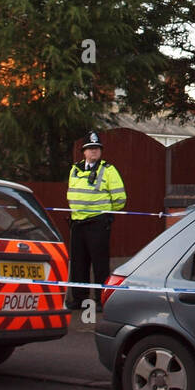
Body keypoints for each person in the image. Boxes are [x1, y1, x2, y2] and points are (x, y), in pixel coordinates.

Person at [66, 130, 126, 310]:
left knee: (99, 264)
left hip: (98, 222)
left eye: (97, 148)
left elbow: (120, 199)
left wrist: (105, 213)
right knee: (78, 263)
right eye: (90, 148)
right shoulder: (75, 170)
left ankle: (101, 300)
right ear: (84, 152)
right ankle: (79, 299)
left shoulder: (108, 170)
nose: (94, 152)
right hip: (77, 223)